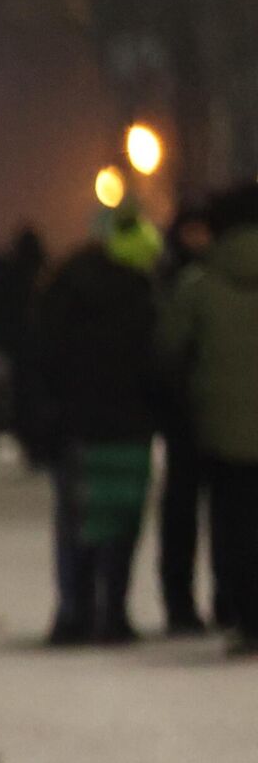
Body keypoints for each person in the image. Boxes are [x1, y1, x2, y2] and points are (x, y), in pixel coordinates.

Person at [32, 214, 163, 645]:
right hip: (128, 425)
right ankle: (114, 614)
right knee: (122, 521)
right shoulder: (142, 296)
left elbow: (42, 359)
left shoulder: (62, 291)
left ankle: (74, 612)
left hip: (76, 425)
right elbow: (156, 365)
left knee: (75, 521)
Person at [160, 182, 258, 656]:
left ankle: (239, 612)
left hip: (220, 428)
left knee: (232, 524)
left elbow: (169, 348)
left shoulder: (200, 283)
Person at [155, 204, 222, 635]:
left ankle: (214, 600)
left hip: (202, 413)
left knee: (217, 513)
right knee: (190, 512)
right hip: (191, 416)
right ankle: (185, 603)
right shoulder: (196, 280)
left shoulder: (177, 281)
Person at [0, 226, 48, 461]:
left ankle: (14, 434)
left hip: (8, 346)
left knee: (12, 393)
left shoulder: (5, 276)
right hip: (32, 349)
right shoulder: (42, 276)